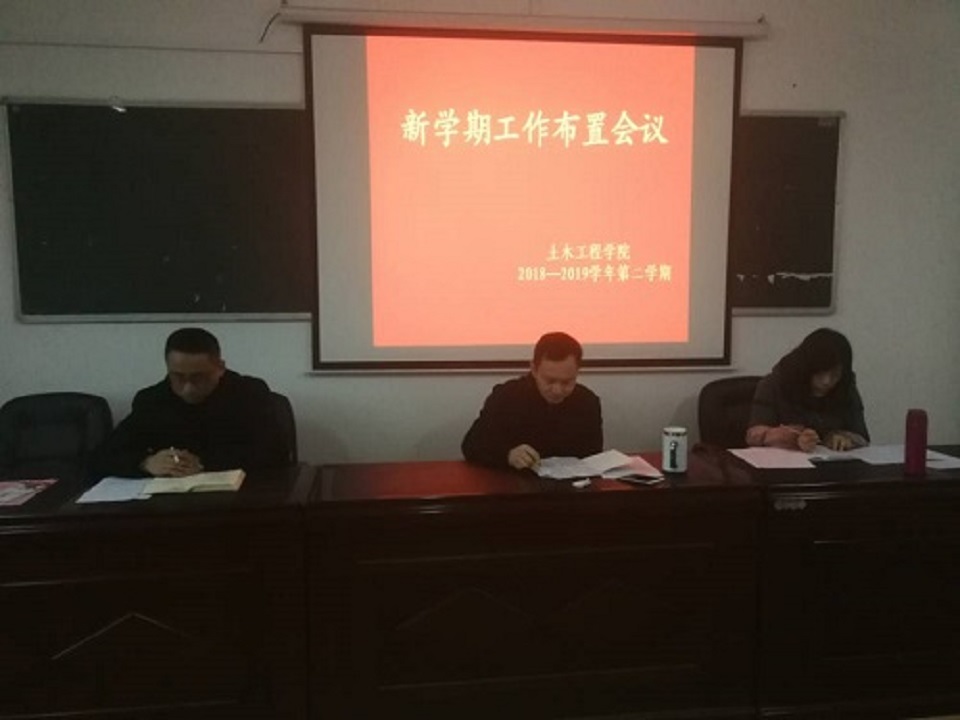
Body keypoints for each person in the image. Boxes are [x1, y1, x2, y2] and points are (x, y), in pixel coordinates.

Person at [94, 328, 288, 477]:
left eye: (199, 378)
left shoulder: (248, 392)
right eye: (178, 377)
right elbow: (104, 455)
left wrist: (204, 463)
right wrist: (145, 463)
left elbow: (275, 453)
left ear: (220, 368)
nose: (188, 388)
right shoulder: (152, 400)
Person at [462, 332, 603, 470]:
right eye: (550, 381)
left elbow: (593, 455)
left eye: (567, 382)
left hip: (572, 483)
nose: (557, 390)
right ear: (534, 369)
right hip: (514, 481)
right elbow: (471, 445)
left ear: (577, 372)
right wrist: (508, 454)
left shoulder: (588, 402)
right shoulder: (506, 396)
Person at [746, 328, 869, 452]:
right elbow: (752, 436)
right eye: (819, 373)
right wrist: (783, 437)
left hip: (831, 460)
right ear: (806, 368)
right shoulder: (775, 383)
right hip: (783, 459)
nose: (827, 381)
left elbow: (862, 437)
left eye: (835, 374)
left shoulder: (845, 386)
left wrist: (846, 438)